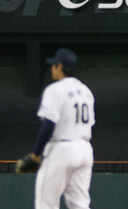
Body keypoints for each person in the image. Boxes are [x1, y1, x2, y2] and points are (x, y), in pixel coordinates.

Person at [23, 48, 95, 209]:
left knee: (45, 204)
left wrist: (36, 155)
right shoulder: (86, 92)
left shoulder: (54, 90)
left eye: (54, 65)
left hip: (62, 149)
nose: (51, 68)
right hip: (85, 150)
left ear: (60, 66)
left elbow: (48, 125)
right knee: (80, 205)